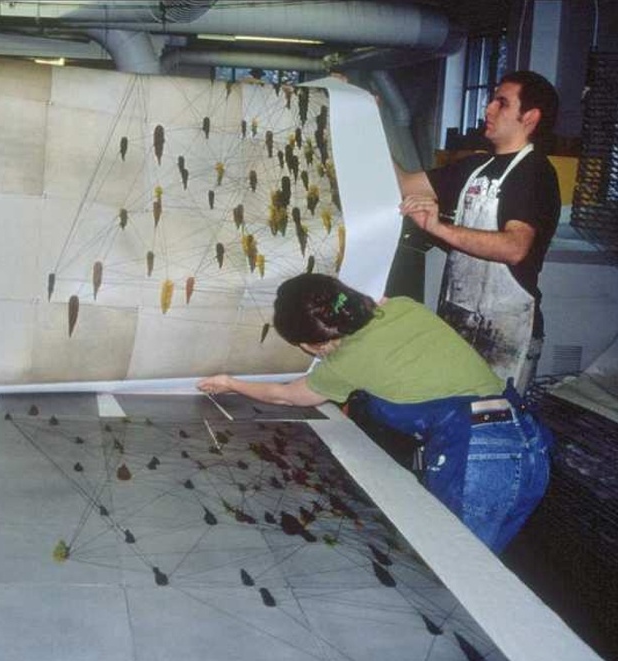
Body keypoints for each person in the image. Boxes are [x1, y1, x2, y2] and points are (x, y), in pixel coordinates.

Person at [197, 273, 552, 553]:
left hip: (480, 458)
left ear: (311, 345)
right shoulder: (403, 307)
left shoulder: (348, 361)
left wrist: (232, 383)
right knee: (482, 577)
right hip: (528, 444)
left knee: (454, 576)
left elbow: (289, 397)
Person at [397, 70, 561, 392]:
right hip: (456, 324)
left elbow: (514, 247)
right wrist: (365, 119)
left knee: (489, 432)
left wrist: (439, 228)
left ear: (529, 117)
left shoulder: (535, 173)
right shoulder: (474, 167)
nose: (488, 108)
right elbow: (403, 184)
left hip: (505, 334)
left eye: (501, 102)